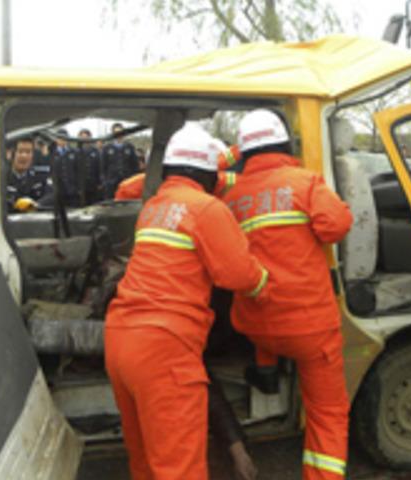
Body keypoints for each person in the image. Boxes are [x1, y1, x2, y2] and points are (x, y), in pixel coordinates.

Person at [104, 123, 271, 479]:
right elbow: (238, 275)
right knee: (181, 469)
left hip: (121, 340)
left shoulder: (154, 207)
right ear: (207, 173)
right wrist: (265, 283)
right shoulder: (206, 208)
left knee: (147, 461)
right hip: (165, 348)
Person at [223, 109, 353, 480]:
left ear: (244, 152)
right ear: (285, 143)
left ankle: (266, 367)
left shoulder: (233, 198)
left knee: (267, 309)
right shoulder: (305, 183)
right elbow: (336, 227)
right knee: (327, 413)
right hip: (310, 327)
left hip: (256, 325)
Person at [6, 138, 49, 213]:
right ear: (10, 154)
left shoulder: (39, 177)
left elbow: (51, 196)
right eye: (20, 151)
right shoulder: (2, 179)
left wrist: (36, 204)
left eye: (28, 152)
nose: (24, 156)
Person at [101, 123, 139, 200]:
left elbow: (135, 165)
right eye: (116, 133)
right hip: (111, 181)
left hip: (126, 181)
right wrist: (105, 181)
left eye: (120, 132)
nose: (119, 135)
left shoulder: (129, 147)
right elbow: (102, 166)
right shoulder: (107, 148)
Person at [51, 129, 80, 207]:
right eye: (60, 138)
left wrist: (78, 187)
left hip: (72, 189)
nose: (62, 141)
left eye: (65, 138)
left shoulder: (74, 152)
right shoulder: (52, 152)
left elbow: (78, 170)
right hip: (58, 190)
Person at [77, 128, 102, 205]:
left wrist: (100, 183)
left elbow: (100, 168)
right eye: (82, 137)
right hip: (81, 185)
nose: (84, 139)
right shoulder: (76, 152)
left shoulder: (95, 152)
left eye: (86, 137)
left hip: (94, 185)